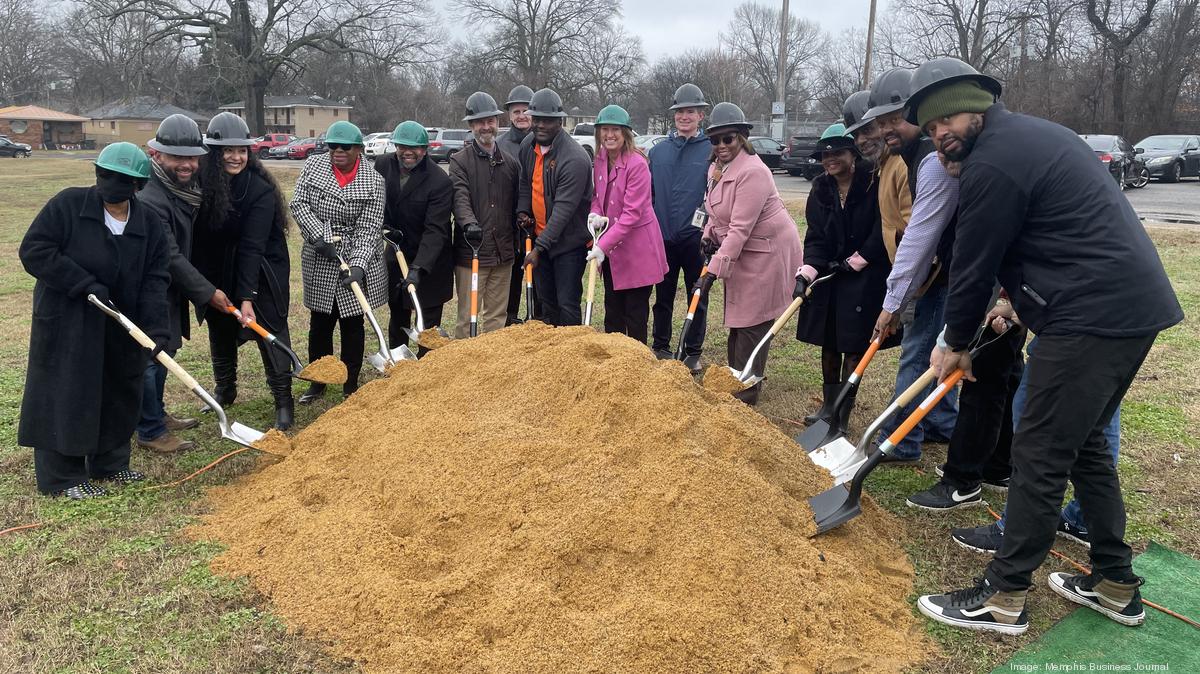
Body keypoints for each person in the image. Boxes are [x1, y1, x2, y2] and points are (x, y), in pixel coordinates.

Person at [909, 57, 1182, 635]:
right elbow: (1049, 231)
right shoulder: (1028, 138)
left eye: (948, 120)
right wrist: (1015, 299)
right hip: (1127, 308)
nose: (941, 135)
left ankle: (1003, 597)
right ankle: (1113, 582)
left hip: (1090, 316)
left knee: (1037, 451)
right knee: (1082, 448)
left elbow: (972, 265)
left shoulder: (994, 164)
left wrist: (956, 341)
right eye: (932, 131)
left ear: (977, 107)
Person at [19, 143, 170, 498]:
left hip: (120, 322)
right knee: (67, 391)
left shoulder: (148, 222)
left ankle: (111, 464)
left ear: (138, 185)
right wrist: (84, 285)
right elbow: (34, 250)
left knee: (119, 388)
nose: (110, 183)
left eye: (121, 179)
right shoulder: (68, 205)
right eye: (104, 175)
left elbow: (155, 278)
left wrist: (157, 329)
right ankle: (63, 478)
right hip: (67, 320)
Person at [865, 68, 960, 463]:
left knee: (919, 353)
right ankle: (941, 422)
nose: (888, 129)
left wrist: (892, 304)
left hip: (948, 273)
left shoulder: (933, 162)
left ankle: (901, 441)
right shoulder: (910, 157)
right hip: (946, 271)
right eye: (882, 122)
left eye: (895, 120)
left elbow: (919, 238)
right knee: (940, 346)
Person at [192, 112, 296, 430]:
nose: (236, 156)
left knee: (269, 331)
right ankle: (225, 389)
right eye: (228, 150)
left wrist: (247, 296)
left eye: (242, 150)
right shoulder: (203, 183)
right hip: (220, 267)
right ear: (214, 152)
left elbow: (253, 246)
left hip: (262, 270)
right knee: (220, 326)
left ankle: (283, 402)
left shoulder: (260, 190)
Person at [696, 102, 803, 405]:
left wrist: (712, 272)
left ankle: (747, 391)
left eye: (727, 139)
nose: (721, 146)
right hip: (744, 250)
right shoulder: (716, 168)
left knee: (753, 321)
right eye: (714, 140)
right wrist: (707, 236)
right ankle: (735, 376)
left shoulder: (753, 172)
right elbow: (715, 213)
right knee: (739, 318)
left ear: (742, 137)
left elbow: (740, 229)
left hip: (767, 252)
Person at [138, 113, 231, 454]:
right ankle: (149, 430)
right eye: (178, 157)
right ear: (157, 155)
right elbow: (170, 255)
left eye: (192, 157)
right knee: (152, 357)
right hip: (148, 290)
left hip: (168, 288)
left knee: (166, 351)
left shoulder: (180, 189)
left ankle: (156, 415)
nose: (187, 164)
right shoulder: (151, 197)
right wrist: (208, 293)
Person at [794, 124, 894, 432]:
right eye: (825, 155)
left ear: (852, 154)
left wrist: (860, 259)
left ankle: (842, 412)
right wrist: (808, 271)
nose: (829, 160)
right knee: (829, 341)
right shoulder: (821, 189)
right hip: (830, 273)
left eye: (837, 153)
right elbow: (816, 236)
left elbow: (884, 227)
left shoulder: (873, 184)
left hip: (866, 274)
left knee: (853, 344)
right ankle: (828, 406)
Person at [293, 120, 387, 403]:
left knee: (352, 323)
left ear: (358, 148)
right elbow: (298, 203)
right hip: (320, 255)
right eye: (333, 146)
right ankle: (318, 381)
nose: (338, 151)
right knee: (320, 322)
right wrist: (319, 237)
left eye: (345, 147)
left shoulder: (373, 181)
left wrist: (358, 265)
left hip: (354, 256)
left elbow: (370, 228)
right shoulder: (313, 167)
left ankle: (350, 382)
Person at [587, 105, 668, 342]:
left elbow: (632, 214)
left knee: (634, 315)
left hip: (637, 252)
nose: (609, 135)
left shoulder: (637, 164)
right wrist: (595, 215)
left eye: (615, 130)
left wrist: (602, 246)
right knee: (612, 313)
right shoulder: (600, 159)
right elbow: (597, 197)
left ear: (626, 133)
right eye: (605, 129)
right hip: (613, 252)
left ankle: (637, 367)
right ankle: (615, 366)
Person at [374, 120, 454, 351]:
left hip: (430, 261)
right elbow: (376, 202)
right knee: (398, 315)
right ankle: (399, 365)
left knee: (427, 323)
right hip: (397, 254)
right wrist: (387, 227)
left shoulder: (439, 180)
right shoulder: (382, 164)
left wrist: (418, 269)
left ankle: (425, 369)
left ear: (425, 149)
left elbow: (436, 230)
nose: (407, 152)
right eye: (402, 146)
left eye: (415, 148)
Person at [648, 83, 712, 372]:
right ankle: (660, 346)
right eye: (680, 112)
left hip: (696, 238)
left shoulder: (711, 150)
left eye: (691, 112)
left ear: (700, 116)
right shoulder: (658, 152)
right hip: (663, 237)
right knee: (662, 296)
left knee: (697, 295)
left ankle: (692, 350)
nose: (684, 117)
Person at [516, 88, 592, 326]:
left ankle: (571, 354)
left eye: (547, 121)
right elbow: (525, 183)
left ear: (559, 121)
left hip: (568, 244)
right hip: (541, 238)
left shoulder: (575, 158)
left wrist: (538, 249)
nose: (539, 125)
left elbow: (563, 211)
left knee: (566, 302)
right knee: (546, 302)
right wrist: (523, 211)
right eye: (536, 119)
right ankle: (551, 355)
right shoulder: (529, 145)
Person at [449, 92, 519, 338]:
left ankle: (491, 370)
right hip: (472, 250)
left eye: (490, 121)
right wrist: (469, 224)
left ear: (498, 122)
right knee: (468, 317)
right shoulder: (459, 161)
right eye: (480, 122)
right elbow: (460, 196)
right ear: (471, 126)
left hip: (503, 252)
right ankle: (464, 367)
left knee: (497, 319)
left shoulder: (511, 163)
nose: (486, 127)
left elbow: (518, 202)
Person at [499, 84, 539, 325]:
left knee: (539, 274)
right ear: (509, 115)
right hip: (511, 222)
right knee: (513, 274)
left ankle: (538, 317)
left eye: (526, 110)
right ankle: (510, 318)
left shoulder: (546, 140)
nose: (522, 116)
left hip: (541, 221)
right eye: (516, 112)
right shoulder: (501, 145)